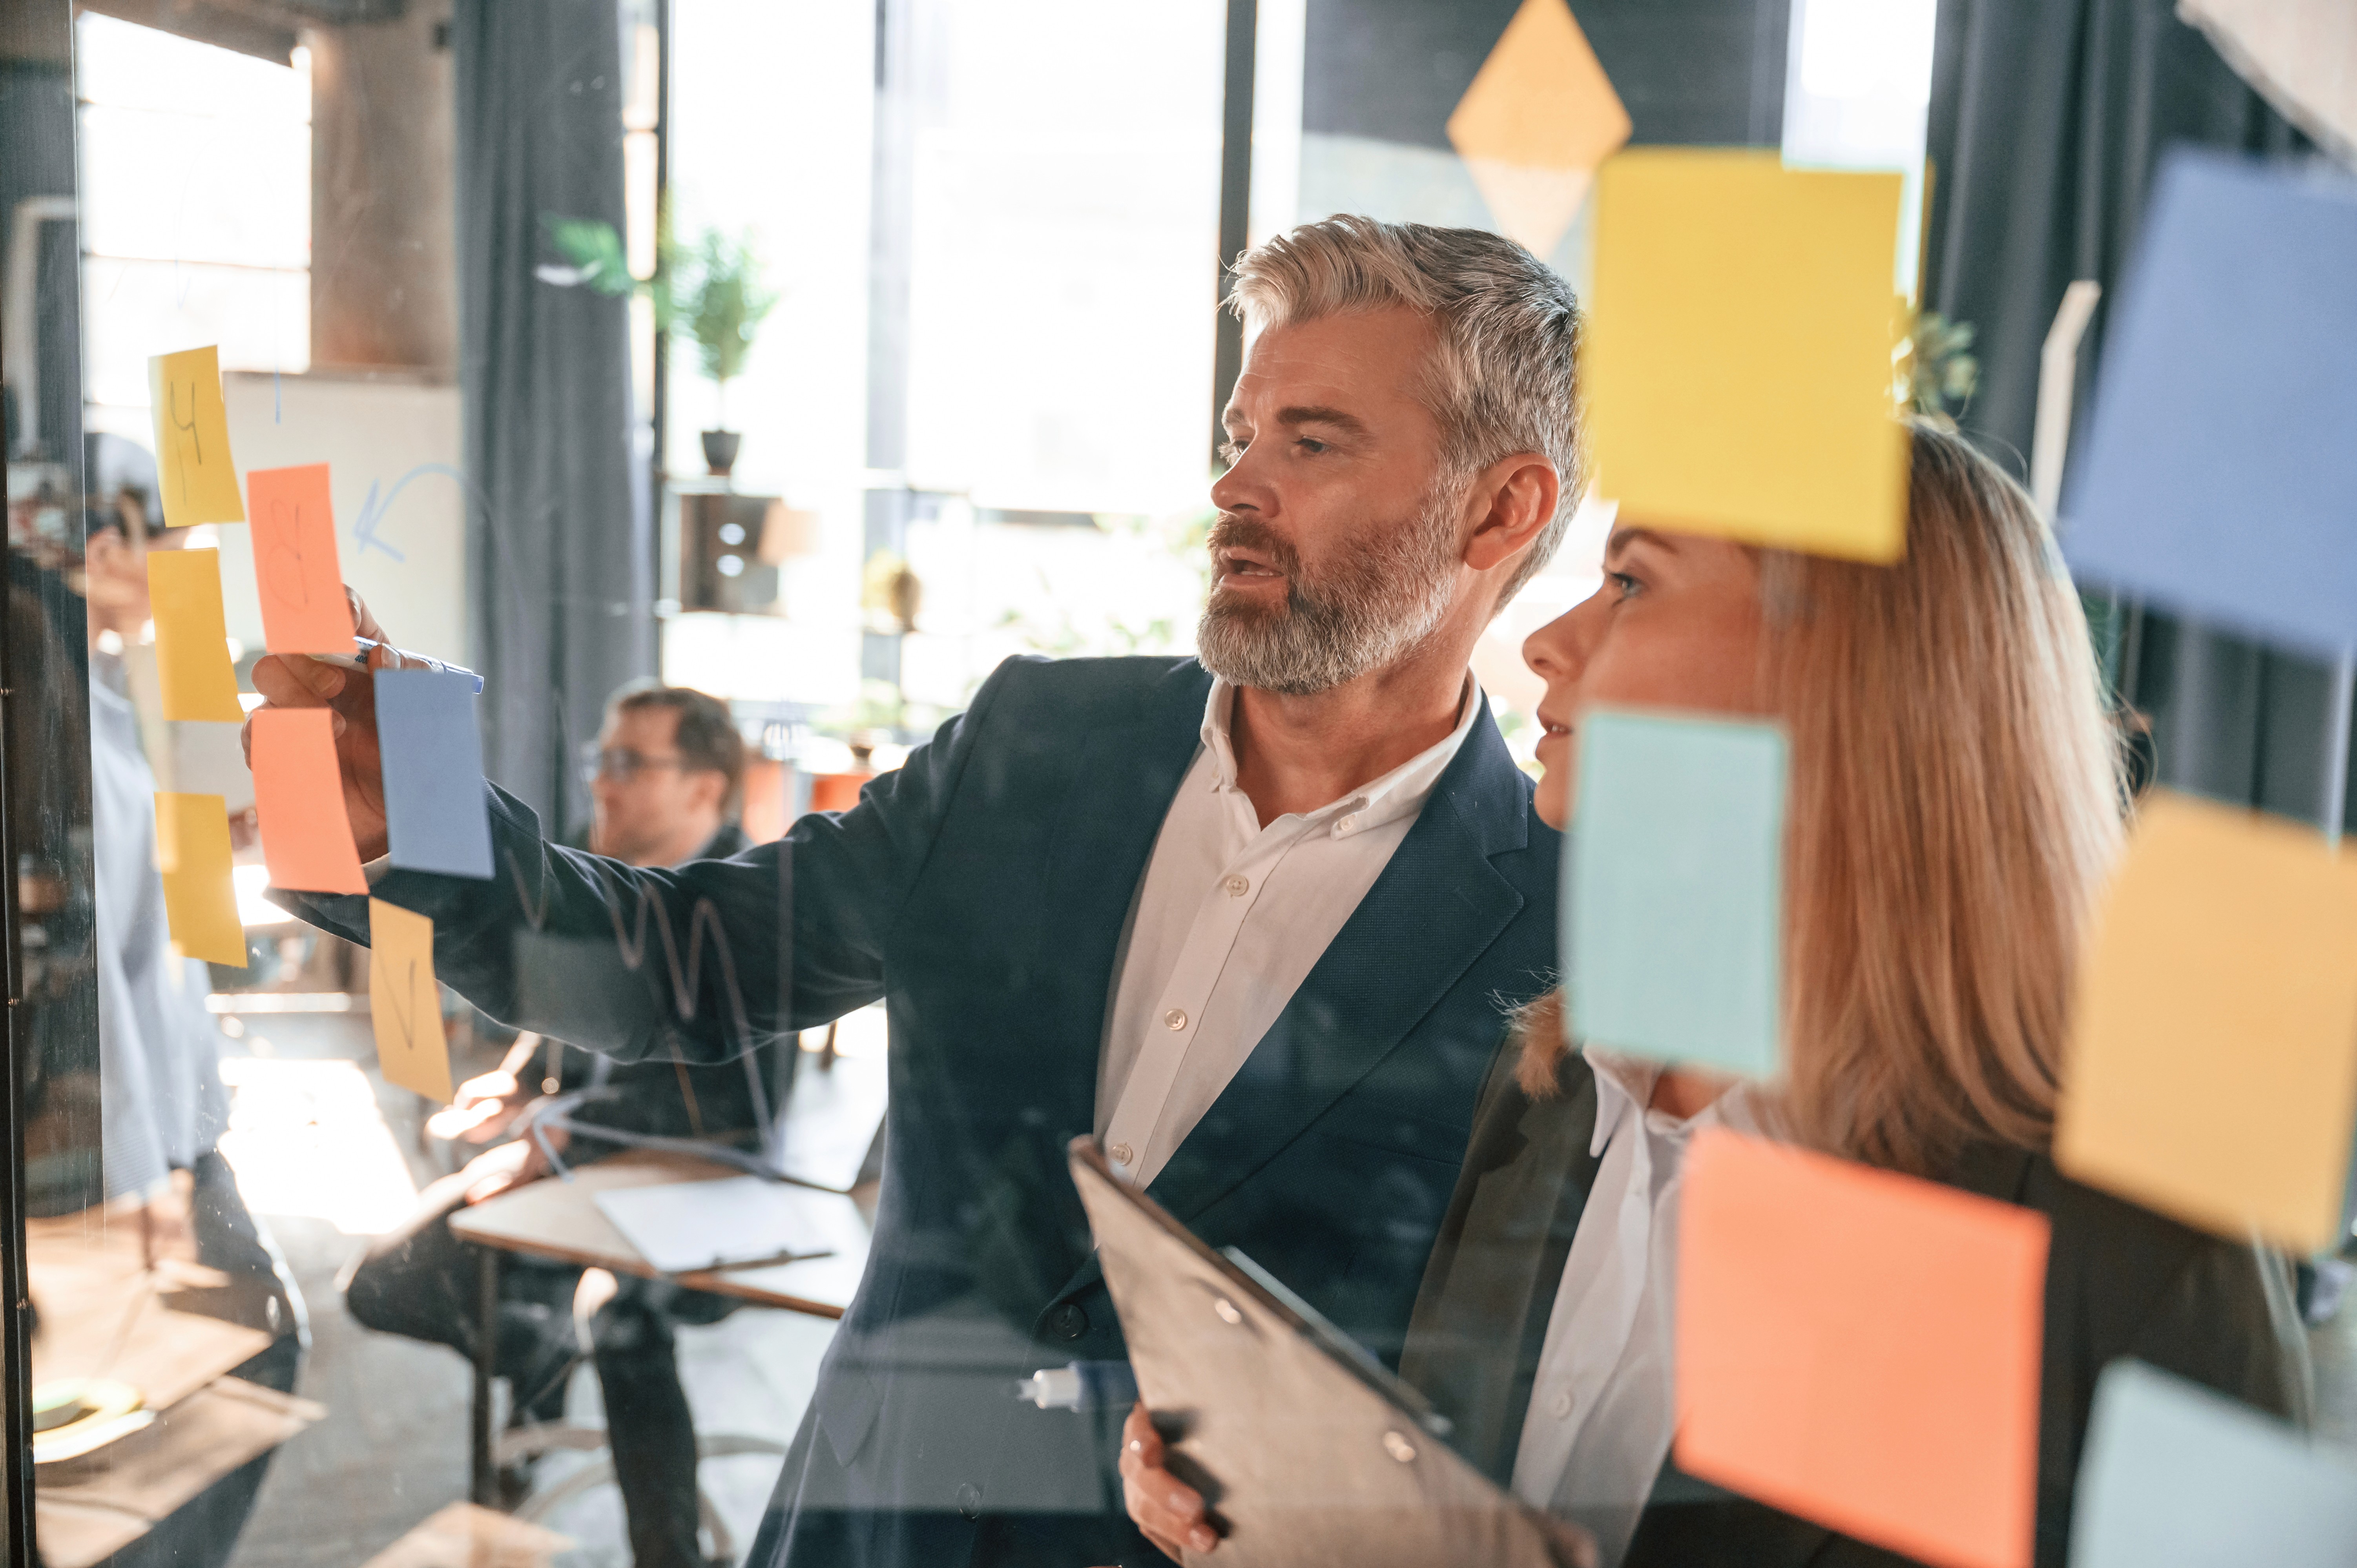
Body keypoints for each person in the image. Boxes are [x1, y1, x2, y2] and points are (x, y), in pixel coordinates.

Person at [247, 215, 1580, 1568]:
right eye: (1240, 435)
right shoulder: (1035, 741)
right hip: (870, 1519)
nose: (1237, 485)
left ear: (1498, 507)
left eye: (1312, 441)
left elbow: (1526, 1365)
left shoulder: (1559, 919)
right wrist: (404, 823)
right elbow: (680, 962)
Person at [1116, 421, 2312, 1567]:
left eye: (1630, 583)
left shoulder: (2139, 1213)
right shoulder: (1553, 1089)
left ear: (1849, 662)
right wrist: (1288, 1505)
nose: (1546, 643)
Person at [343, 682, 789, 1568]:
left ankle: (670, 1553)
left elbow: (730, 1115)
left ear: (705, 788)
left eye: (628, 764)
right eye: (601, 761)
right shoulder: (603, 870)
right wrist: (517, 1089)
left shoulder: (753, 910)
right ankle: (540, 1369)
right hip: (575, 1164)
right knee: (384, 1282)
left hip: (703, 1185)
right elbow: (562, 1019)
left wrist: (553, 1134)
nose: (602, 784)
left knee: (618, 1318)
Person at [80, 433, 309, 1568]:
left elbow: (120, 881)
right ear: (107, 540)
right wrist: (135, 1179)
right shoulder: (51, 701)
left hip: (170, 1120)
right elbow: (81, 944)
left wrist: (222, 842)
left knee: (237, 1354)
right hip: (132, 1138)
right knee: (236, 1353)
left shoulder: (99, 684)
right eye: (176, 547)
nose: (184, 574)